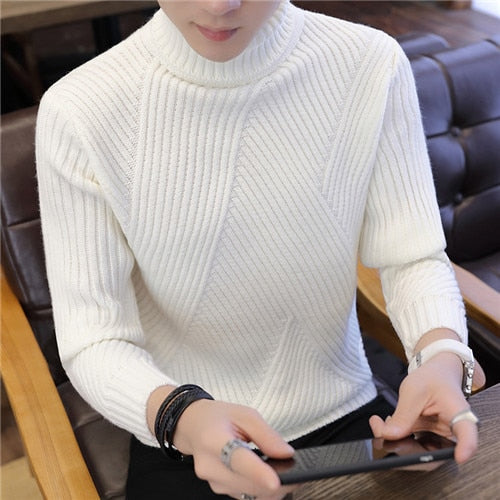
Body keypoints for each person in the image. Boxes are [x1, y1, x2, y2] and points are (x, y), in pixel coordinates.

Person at [36, 1, 485, 499]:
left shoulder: (368, 63)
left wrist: (441, 356)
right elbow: (95, 338)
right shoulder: (79, 110)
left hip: (351, 421)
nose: (220, 5)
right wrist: (182, 416)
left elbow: (412, 257)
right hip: (184, 428)